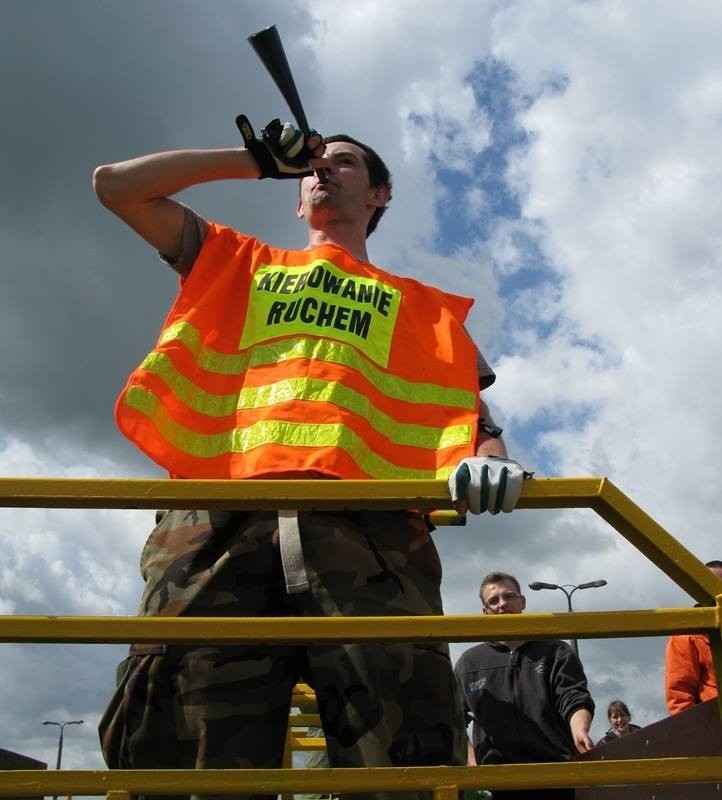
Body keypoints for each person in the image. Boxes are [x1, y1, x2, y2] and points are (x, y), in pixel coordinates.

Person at [92, 114, 526, 800]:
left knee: (404, 751)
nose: (323, 168)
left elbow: (478, 422)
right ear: (296, 194)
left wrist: (498, 460)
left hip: (372, 538)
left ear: (379, 194)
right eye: (313, 165)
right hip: (217, 527)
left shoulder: (427, 313)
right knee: (181, 739)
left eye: (345, 161)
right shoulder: (236, 262)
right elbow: (117, 187)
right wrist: (251, 159)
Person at [454, 571, 595, 800]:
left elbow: (573, 696)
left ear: (522, 601)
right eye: (493, 601)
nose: (502, 604)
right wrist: (472, 760)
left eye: (509, 596)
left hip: (558, 777)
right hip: (500, 783)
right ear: (485, 612)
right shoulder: (469, 663)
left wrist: (580, 729)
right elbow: (454, 719)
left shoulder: (555, 651)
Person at [665, 559, 722, 715]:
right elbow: (680, 696)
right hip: (714, 725)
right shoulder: (686, 636)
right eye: (710, 585)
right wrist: (695, 734)